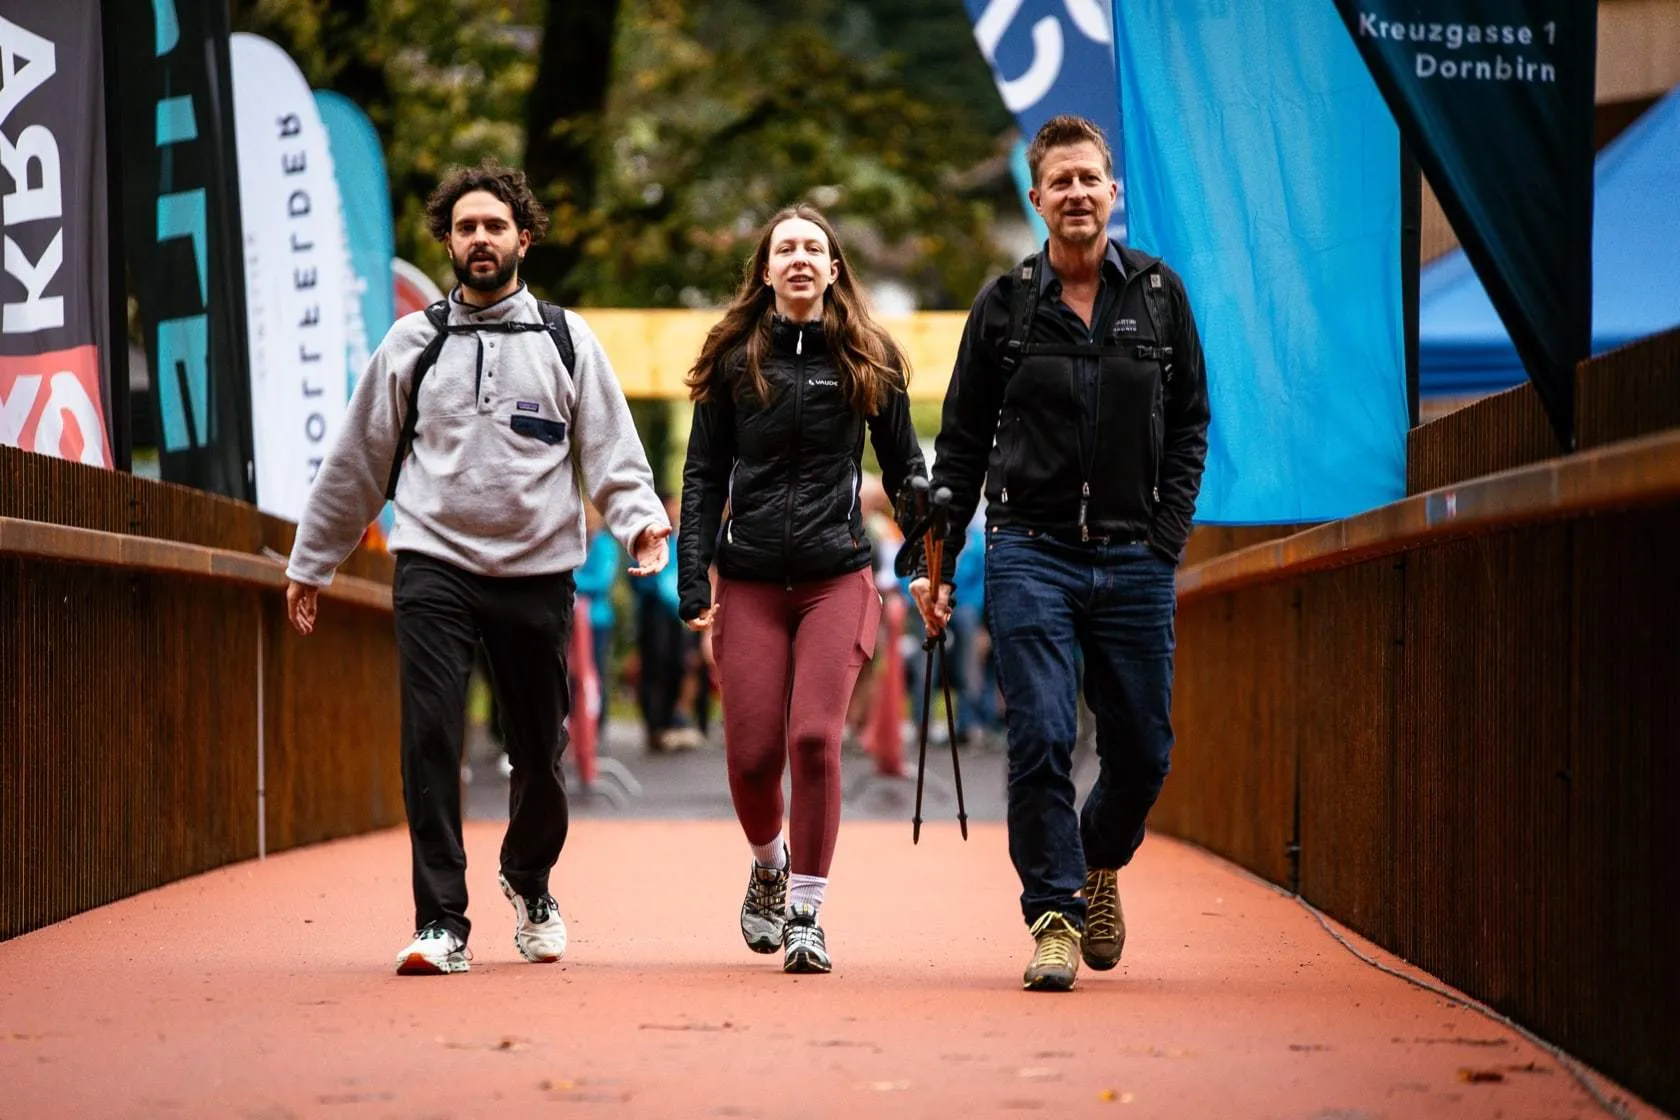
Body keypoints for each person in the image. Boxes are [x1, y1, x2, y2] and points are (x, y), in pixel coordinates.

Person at [284, 161, 670, 976]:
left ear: (522, 238)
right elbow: (357, 460)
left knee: (539, 749)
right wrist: (312, 561)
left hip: (537, 569)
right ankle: (442, 922)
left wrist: (642, 528)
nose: (481, 239)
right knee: (429, 736)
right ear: (449, 242)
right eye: (466, 228)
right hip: (435, 562)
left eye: (495, 226)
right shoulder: (413, 342)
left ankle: (529, 879)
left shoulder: (565, 339)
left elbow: (610, 449)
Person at [910, 115, 1210, 992]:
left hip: (1134, 558)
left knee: (1144, 751)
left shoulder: (1159, 296)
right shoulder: (1003, 306)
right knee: (1039, 732)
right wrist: (938, 566)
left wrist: (1165, 536)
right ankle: (1052, 917)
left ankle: (1095, 861)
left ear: (1113, 194)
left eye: (1091, 179)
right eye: (1060, 183)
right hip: (1030, 550)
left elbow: (1190, 422)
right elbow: (960, 446)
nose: (1077, 193)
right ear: (1036, 200)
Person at [678, 204, 926, 974]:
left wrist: (923, 560)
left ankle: (808, 914)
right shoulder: (732, 358)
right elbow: (702, 477)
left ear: (833, 268)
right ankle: (768, 864)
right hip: (749, 577)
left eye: (812, 248)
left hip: (836, 574)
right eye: (784, 248)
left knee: (814, 738)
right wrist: (694, 572)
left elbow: (908, 469)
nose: (798, 259)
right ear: (765, 268)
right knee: (753, 756)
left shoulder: (866, 358)